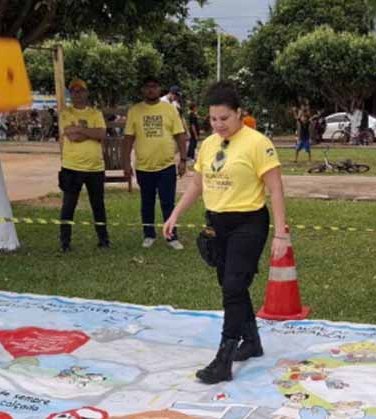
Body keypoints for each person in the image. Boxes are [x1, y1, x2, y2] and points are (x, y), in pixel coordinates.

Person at [163, 82, 292, 384]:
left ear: (239, 114)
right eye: (213, 119)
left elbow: (275, 189)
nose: (218, 125)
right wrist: (175, 214)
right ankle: (252, 341)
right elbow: (197, 184)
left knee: (233, 285)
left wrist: (281, 233)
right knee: (231, 284)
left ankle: (224, 358)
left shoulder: (258, 143)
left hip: (248, 223)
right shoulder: (208, 145)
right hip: (217, 224)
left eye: (225, 118)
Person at [123, 76, 188, 250]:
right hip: (144, 167)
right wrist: (126, 163)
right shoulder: (135, 111)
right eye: (147, 86)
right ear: (142, 90)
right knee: (147, 202)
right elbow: (128, 138)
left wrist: (183, 159)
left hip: (166, 166)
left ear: (160, 89)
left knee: (168, 203)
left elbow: (180, 135)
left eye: (154, 86)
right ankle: (149, 235)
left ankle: (171, 236)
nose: (151, 90)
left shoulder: (170, 110)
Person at [58, 79, 110, 252]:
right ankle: (65, 242)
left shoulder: (96, 113)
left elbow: (101, 133)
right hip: (71, 167)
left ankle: (103, 239)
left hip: (95, 167)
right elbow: (71, 136)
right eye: (73, 91)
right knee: (68, 206)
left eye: (80, 91)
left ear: (87, 93)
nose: (77, 94)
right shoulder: (65, 113)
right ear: (70, 94)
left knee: (98, 205)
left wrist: (80, 130)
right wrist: (90, 133)